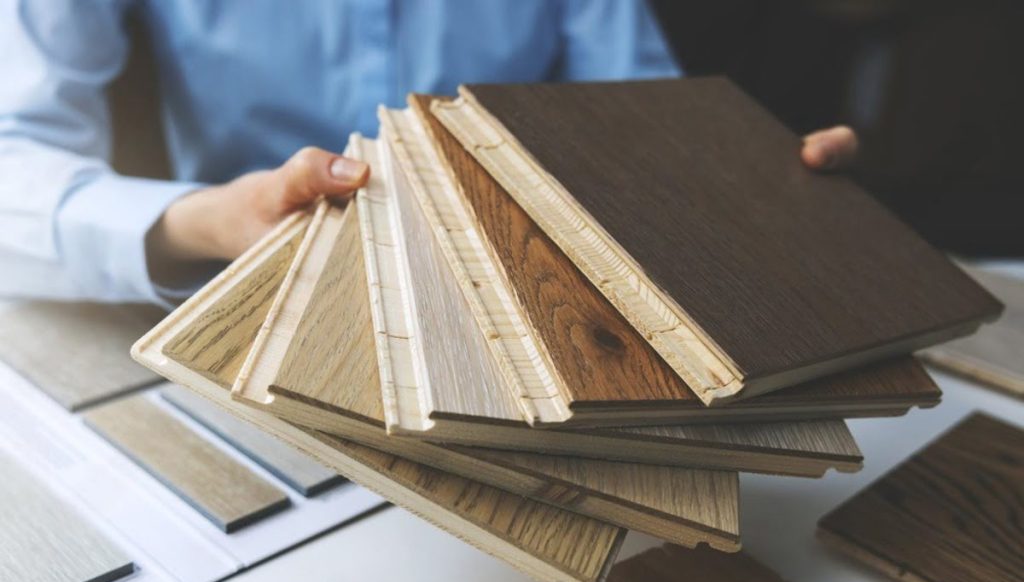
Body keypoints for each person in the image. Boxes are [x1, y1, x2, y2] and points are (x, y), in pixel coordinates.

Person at [0, 0, 857, 306]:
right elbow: (13, 157)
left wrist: (744, 178)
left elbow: (641, 120)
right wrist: (207, 222)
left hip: (534, 302)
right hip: (249, 297)